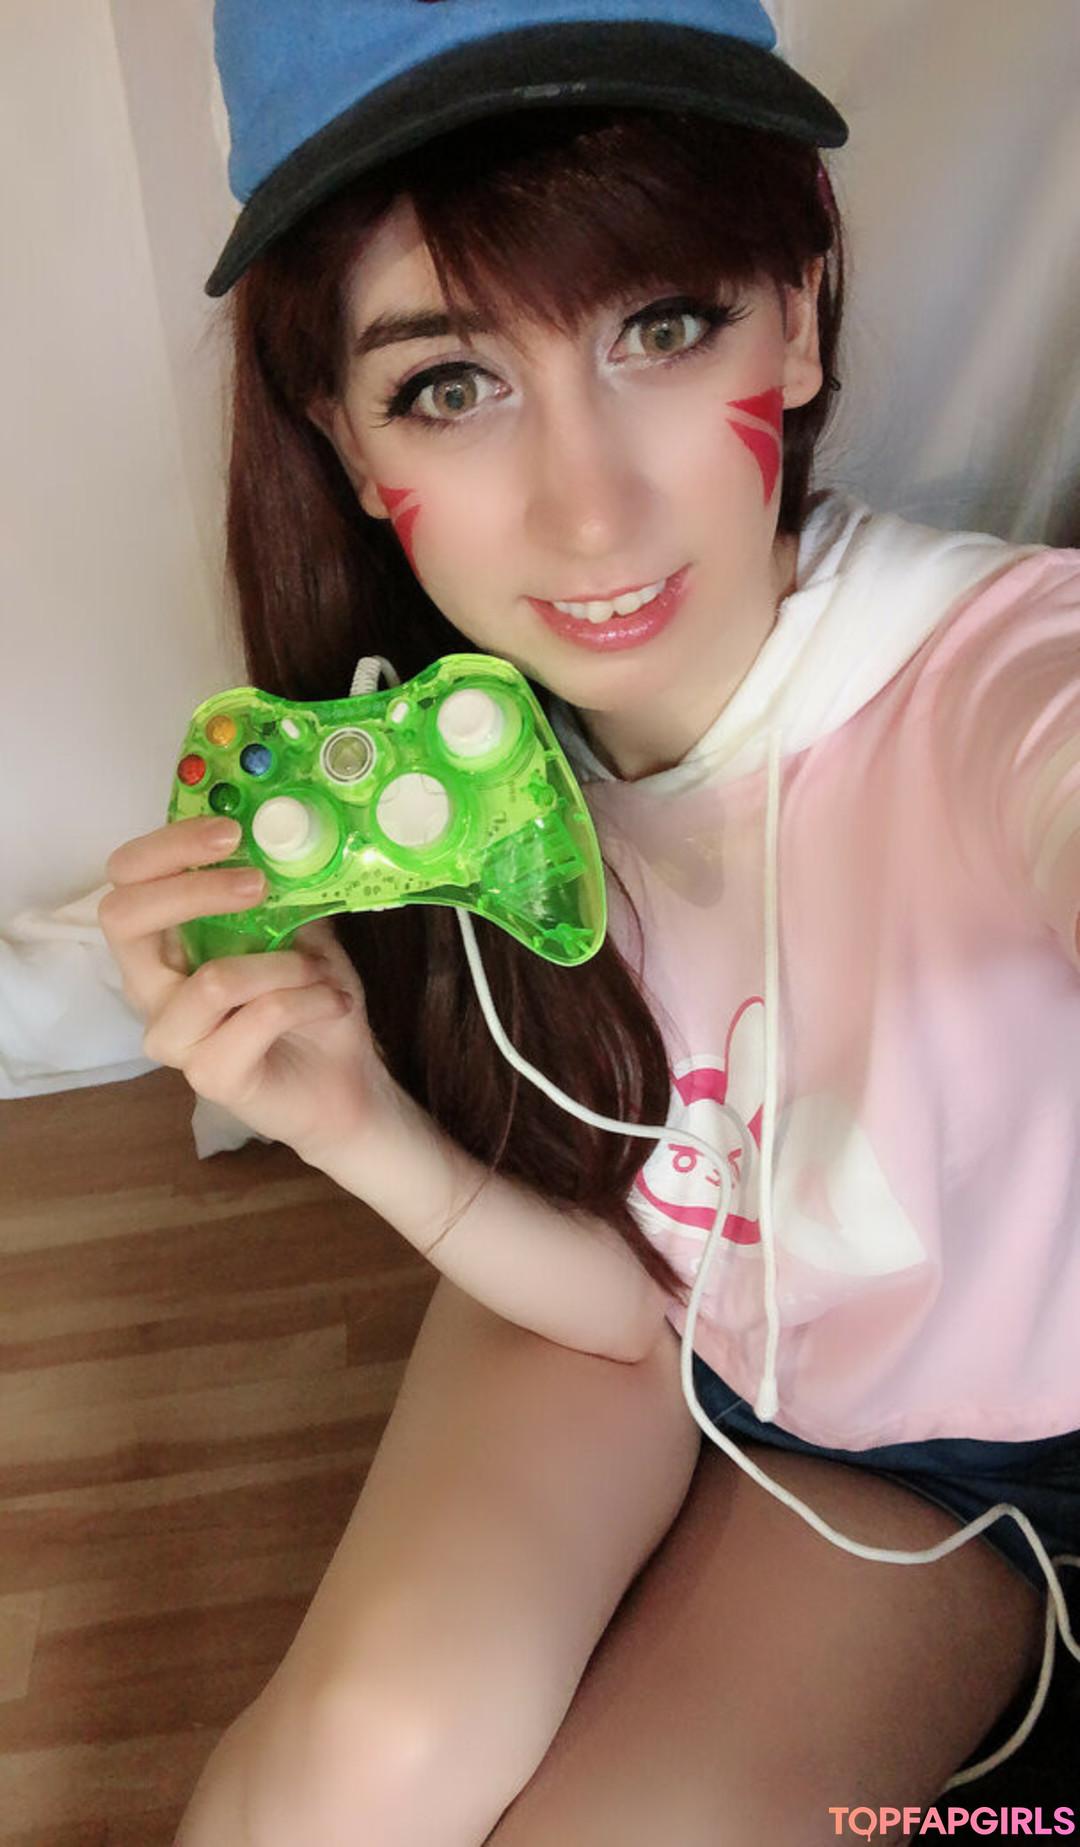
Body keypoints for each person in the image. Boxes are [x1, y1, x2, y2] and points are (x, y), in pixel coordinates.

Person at [99, 2, 1080, 1841]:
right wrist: (351, 1120)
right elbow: (627, 1291)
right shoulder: (445, 779)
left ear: (799, 310)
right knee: (339, 1784)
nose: (589, 512)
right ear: (342, 435)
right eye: (448, 386)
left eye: (664, 324)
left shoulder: (994, 686)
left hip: (952, 1467)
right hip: (624, 1313)